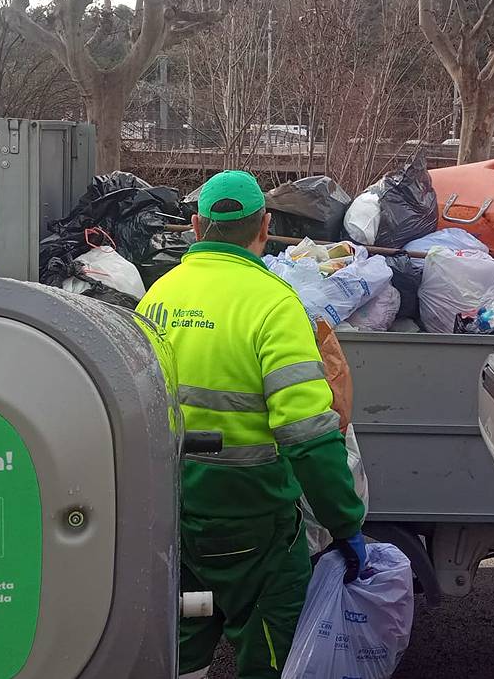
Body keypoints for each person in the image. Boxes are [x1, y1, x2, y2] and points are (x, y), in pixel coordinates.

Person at [137, 170, 367, 679]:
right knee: (270, 652)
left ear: (197, 226)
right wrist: (345, 522)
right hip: (255, 520)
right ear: (264, 226)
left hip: (178, 511)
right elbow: (308, 436)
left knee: (182, 642)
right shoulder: (274, 304)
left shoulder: (157, 298)